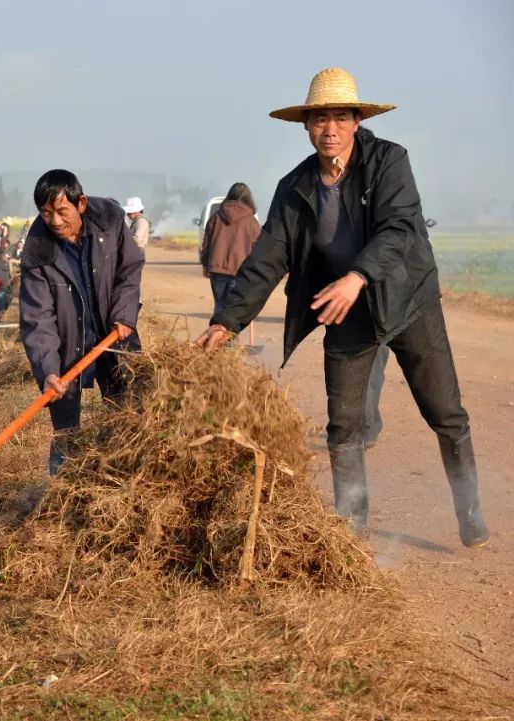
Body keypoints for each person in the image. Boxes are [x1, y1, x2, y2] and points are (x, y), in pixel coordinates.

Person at [195, 67, 488, 547]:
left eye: (339, 117)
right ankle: (350, 530)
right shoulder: (295, 188)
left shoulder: (389, 161)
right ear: (306, 126)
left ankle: (470, 509)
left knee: (445, 413)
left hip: (408, 301)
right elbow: (267, 258)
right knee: (344, 426)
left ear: (356, 121)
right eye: (319, 119)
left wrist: (357, 276)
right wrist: (227, 321)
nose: (329, 128)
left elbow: (399, 230)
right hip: (347, 313)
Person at [19, 169, 144, 474]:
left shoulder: (109, 219)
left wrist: (124, 313)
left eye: (62, 211)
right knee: (65, 429)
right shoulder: (37, 249)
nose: (56, 222)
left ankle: (125, 477)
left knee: (127, 412)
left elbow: (129, 269)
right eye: (46, 214)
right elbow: (38, 318)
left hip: (114, 336)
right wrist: (47, 371)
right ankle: (60, 490)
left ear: (81, 204)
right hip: (67, 347)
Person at [199, 182, 262, 313]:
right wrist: (254, 272)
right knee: (232, 310)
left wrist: (205, 265)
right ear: (248, 198)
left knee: (219, 306)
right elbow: (258, 250)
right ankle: (229, 334)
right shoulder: (252, 222)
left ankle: (216, 332)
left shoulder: (215, 217)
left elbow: (206, 244)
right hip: (239, 271)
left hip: (216, 270)